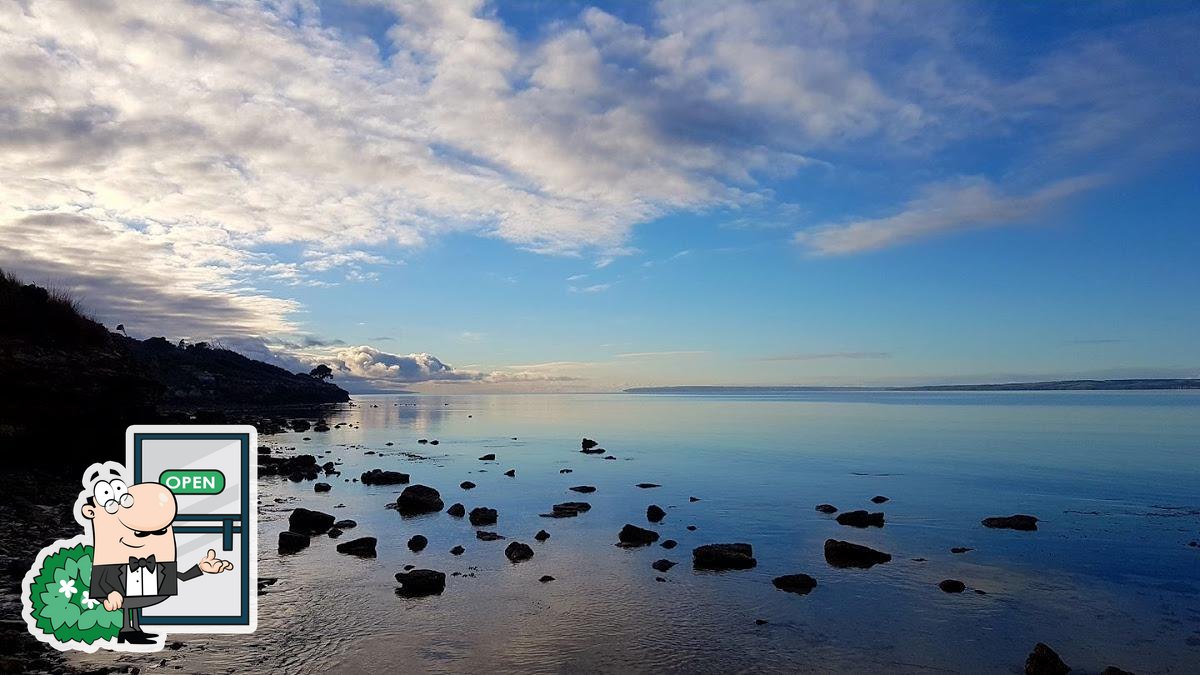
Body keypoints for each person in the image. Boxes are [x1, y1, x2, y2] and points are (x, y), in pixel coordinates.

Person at [81, 465, 233, 645]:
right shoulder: (109, 562)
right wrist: (110, 593)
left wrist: (200, 568)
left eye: (160, 531)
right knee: (129, 604)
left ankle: (134, 630)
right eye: (140, 533)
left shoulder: (158, 564)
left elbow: (180, 577)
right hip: (120, 594)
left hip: (143, 591)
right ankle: (126, 630)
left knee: (134, 605)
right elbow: (101, 581)